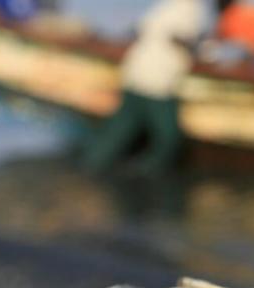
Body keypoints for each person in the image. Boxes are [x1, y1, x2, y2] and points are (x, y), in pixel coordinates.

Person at [83, 0, 207, 175]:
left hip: (136, 72)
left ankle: (91, 167)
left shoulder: (166, 7)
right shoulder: (188, 9)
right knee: (168, 136)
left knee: (119, 128)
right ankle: (145, 176)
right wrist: (199, 47)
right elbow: (179, 38)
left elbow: (139, 30)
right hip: (157, 81)